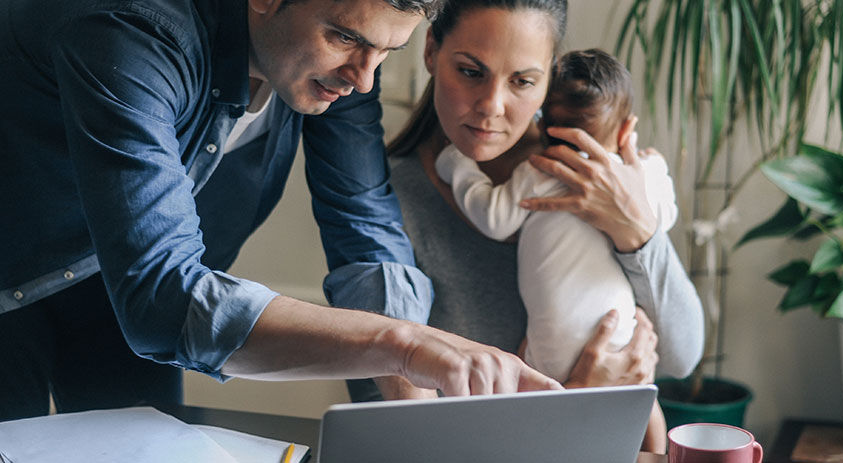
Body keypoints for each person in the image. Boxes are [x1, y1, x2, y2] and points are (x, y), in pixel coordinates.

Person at [0, 0, 563, 422]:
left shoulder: (350, 53)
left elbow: (362, 218)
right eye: (344, 38)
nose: (364, 78)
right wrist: (406, 344)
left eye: (385, 52)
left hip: (116, 296)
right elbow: (161, 296)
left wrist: (414, 412)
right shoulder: (134, 25)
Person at [349, 0, 706, 453]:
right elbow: (391, 427)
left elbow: (681, 357)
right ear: (431, 51)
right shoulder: (380, 204)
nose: (491, 107)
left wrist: (638, 233)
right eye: (471, 71)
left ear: (549, 81)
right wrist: (571, 401)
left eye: (522, 81)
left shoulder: (598, 175)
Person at [434, 48, 680, 382]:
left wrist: (458, 166)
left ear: (541, 120)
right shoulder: (637, 179)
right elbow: (665, 218)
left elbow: (494, 217)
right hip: (620, 335)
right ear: (626, 131)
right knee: (643, 401)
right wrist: (657, 169)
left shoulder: (539, 172)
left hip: (549, 352)